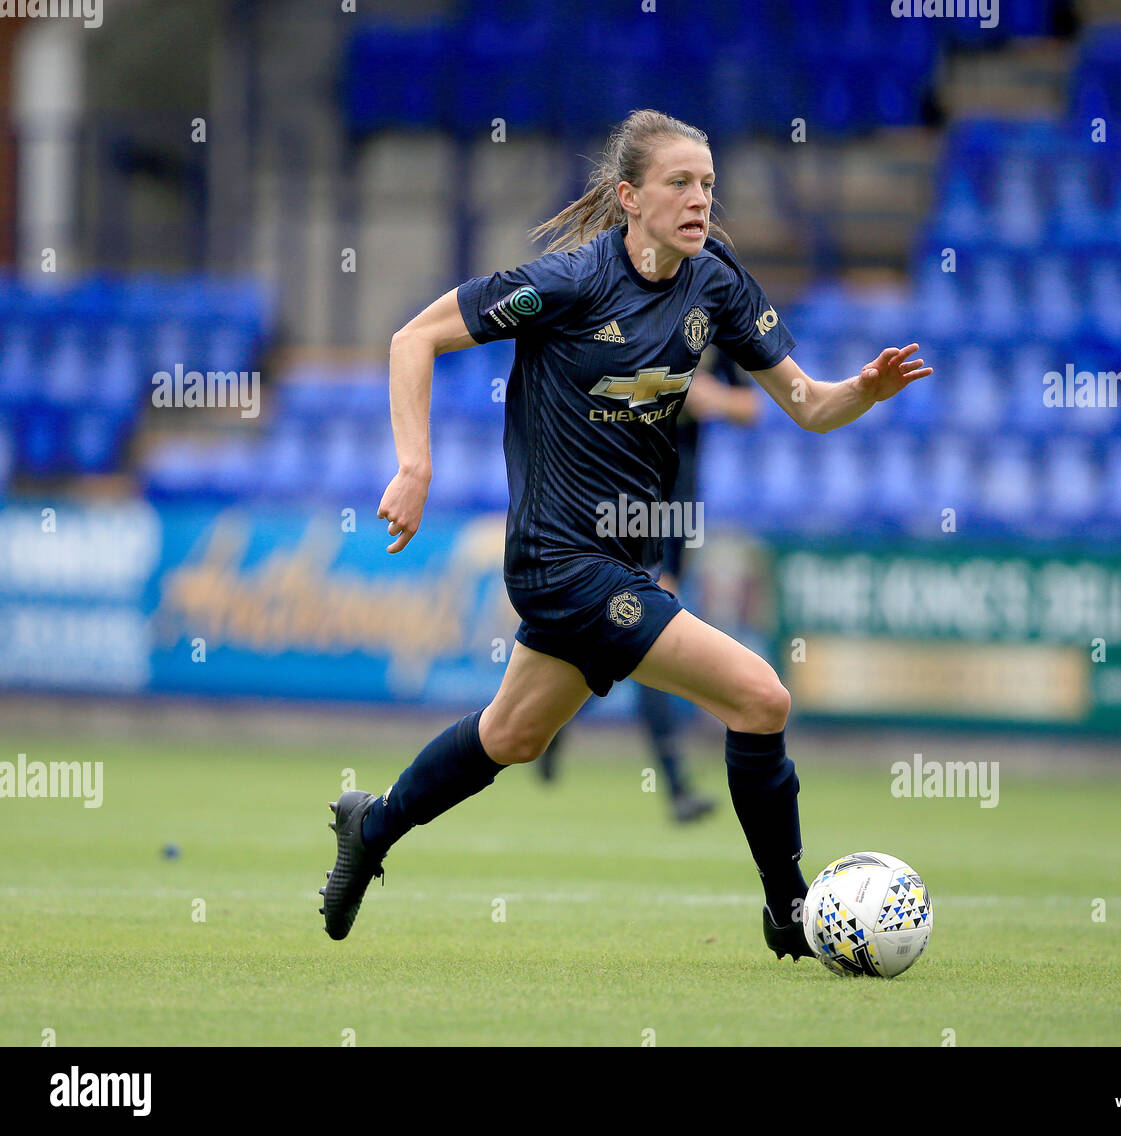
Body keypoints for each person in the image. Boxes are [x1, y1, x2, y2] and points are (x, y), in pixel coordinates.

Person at [319, 109, 931, 962]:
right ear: (629, 196)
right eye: (679, 183)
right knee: (760, 698)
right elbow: (412, 338)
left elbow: (809, 406)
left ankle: (372, 826)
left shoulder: (715, 283)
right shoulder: (568, 282)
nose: (698, 199)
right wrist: (414, 467)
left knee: (513, 737)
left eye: (709, 185)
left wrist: (862, 389)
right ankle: (790, 912)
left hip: (623, 557)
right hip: (556, 560)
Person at [534, 346, 759, 824]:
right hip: (624, 502)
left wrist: (708, 397)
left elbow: (750, 407)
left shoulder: (711, 342)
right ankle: (675, 785)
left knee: (631, 640)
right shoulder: (640, 330)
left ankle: (554, 728)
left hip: (678, 506)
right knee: (644, 633)